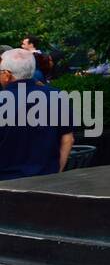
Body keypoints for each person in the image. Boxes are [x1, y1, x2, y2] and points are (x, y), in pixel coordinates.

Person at [0, 48, 73, 179]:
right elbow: (68, 139)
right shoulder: (56, 96)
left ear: (7, 75)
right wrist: (57, 172)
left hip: (6, 183)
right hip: (46, 182)